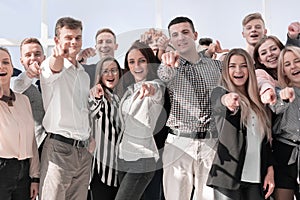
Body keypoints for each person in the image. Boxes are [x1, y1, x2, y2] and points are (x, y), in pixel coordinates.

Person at [157, 16, 222, 200]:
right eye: (175, 35)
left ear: (195, 35)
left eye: (185, 32)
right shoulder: (169, 66)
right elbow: (164, 75)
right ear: (171, 40)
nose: (181, 38)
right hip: (179, 143)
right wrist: (167, 63)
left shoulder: (217, 66)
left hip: (211, 142)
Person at [206, 48, 275, 200]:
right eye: (232, 66)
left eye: (244, 65)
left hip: (256, 179)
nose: (238, 70)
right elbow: (220, 102)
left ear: (250, 69)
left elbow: (264, 142)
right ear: (225, 70)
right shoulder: (219, 92)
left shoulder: (258, 102)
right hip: (229, 178)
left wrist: (270, 171)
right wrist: (228, 101)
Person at [38, 16, 93, 200]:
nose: (73, 42)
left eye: (77, 37)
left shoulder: (83, 74)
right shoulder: (50, 64)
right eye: (68, 37)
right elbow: (55, 68)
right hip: (59, 149)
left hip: (83, 152)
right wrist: (57, 55)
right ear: (56, 40)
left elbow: (81, 108)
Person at [114, 40, 165, 200]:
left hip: (143, 158)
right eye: (132, 62)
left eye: (142, 60)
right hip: (123, 157)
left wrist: (149, 89)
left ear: (149, 62)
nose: (137, 66)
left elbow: (155, 90)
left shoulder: (156, 85)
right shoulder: (128, 91)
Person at [0, 47, 39, 200]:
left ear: (12, 68)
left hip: (24, 172)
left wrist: (35, 177)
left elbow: (32, 140)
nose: (1, 66)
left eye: (5, 62)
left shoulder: (24, 100)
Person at [88, 56, 123, 200]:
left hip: (117, 166)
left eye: (114, 70)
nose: (110, 74)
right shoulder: (97, 94)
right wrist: (97, 98)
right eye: (105, 71)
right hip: (101, 168)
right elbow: (94, 112)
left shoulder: (118, 98)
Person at [269, 45, 300, 200]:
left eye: (297, 61)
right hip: (284, 151)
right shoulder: (278, 90)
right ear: (283, 71)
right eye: (287, 64)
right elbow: (275, 107)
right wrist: (284, 98)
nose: (293, 66)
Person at [12, 37, 47, 158]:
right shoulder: (15, 83)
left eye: (37, 54)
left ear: (44, 58)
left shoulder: (54, 83)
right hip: (28, 150)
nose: (33, 58)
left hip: (55, 149)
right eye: (28, 55)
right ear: (21, 61)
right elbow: (17, 87)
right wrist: (29, 74)